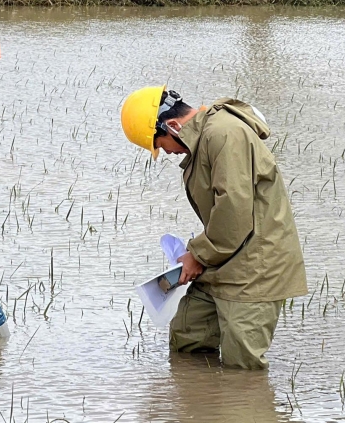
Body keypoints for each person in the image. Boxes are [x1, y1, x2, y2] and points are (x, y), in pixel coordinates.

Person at [120, 87, 307, 369]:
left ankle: (241, 410)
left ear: (171, 126)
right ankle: (201, 407)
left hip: (256, 268)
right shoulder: (206, 138)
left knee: (241, 369)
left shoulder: (224, 134)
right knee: (187, 336)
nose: (165, 153)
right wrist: (200, 255)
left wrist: (198, 255)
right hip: (225, 258)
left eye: (159, 144)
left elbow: (233, 211)